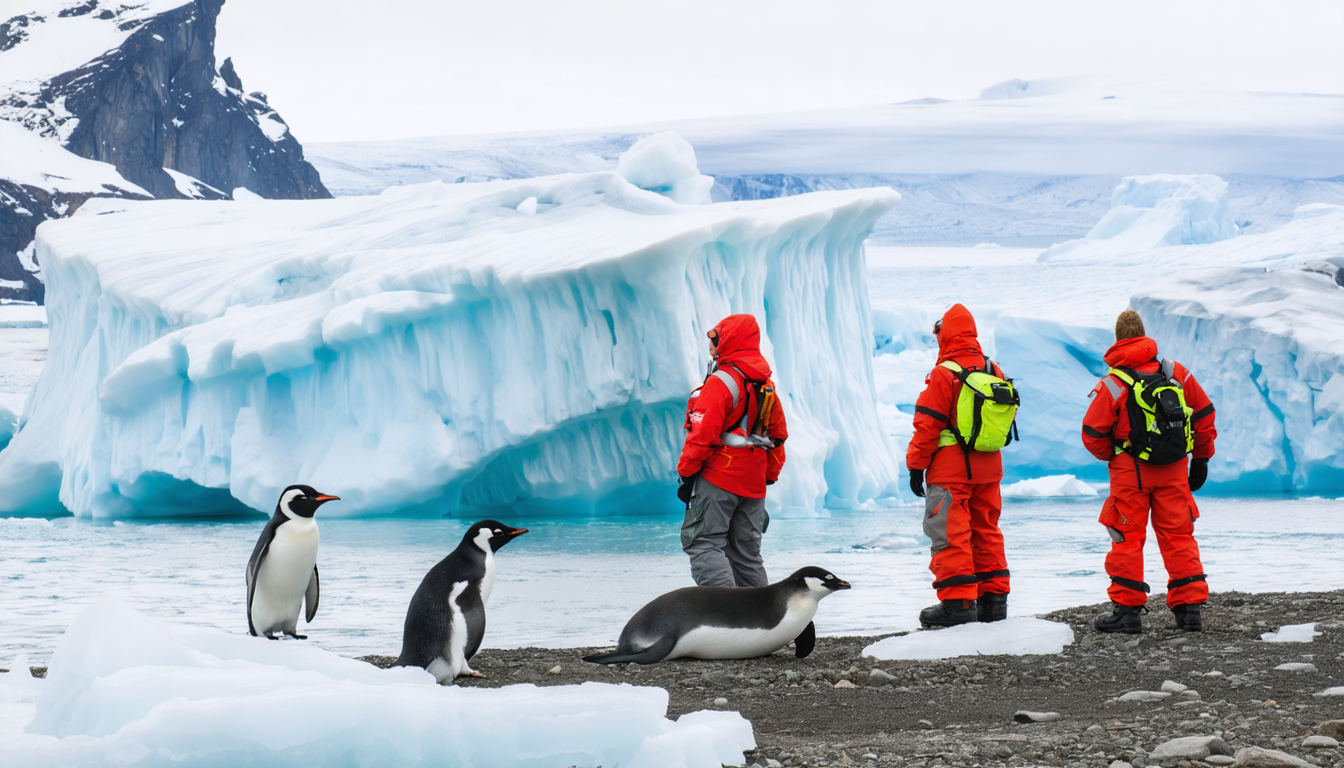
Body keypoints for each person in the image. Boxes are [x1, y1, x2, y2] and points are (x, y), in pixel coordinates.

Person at [1082, 309, 1217, 633]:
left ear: (1118, 340)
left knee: (1127, 537)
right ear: (1144, 334)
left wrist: (1114, 455)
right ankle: (1189, 610)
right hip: (1173, 468)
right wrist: (1201, 458)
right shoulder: (1176, 373)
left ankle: (1127, 611)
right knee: (1178, 536)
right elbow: (1203, 416)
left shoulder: (1114, 383)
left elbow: (1092, 433)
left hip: (1131, 472)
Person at [906, 304, 1017, 627]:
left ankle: (957, 604)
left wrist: (916, 466)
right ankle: (994, 602)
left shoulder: (944, 374)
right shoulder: (992, 370)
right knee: (987, 531)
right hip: (989, 467)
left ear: (946, 336)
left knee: (949, 534)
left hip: (951, 471)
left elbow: (927, 425)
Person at [677, 314, 788, 587]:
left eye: (715, 338)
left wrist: (686, 474)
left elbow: (702, 434)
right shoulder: (764, 383)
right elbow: (778, 436)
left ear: (730, 340)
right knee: (746, 556)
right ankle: (762, 621)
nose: (711, 345)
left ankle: (725, 617)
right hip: (752, 483)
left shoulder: (721, 382)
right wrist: (767, 477)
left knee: (704, 544)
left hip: (718, 478)